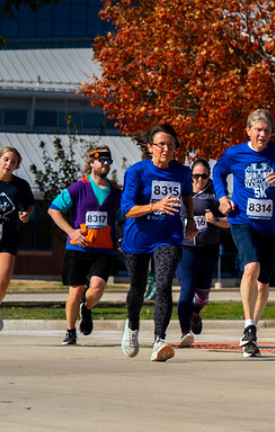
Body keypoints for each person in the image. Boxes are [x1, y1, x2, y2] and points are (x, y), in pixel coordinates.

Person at [212, 108, 275, 358]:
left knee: (263, 284)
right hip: (243, 220)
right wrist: (222, 198)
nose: (262, 134)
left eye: (267, 130)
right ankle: (248, 324)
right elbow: (218, 172)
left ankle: (251, 333)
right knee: (251, 267)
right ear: (248, 131)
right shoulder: (235, 153)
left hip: (273, 226)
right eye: (258, 130)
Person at [120, 124, 197, 362]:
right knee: (138, 288)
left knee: (163, 285)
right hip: (138, 238)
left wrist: (191, 220)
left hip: (169, 236)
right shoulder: (136, 172)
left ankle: (159, 340)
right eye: (161, 144)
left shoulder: (183, 172)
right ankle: (132, 327)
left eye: (171, 145)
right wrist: (155, 206)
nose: (166, 148)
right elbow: (127, 210)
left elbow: (187, 194)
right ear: (150, 148)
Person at [48, 145, 124, 345]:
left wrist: (122, 236)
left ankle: (87, 308)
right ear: (92, 162)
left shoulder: (116, 192)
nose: (105, 163)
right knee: (76, 290)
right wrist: (71, 231)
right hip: (78, 248)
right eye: (101, 160)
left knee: (97, 288)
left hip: (103, 250)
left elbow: (122, 217)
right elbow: (53, 209)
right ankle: (70, 330)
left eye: (108, 160)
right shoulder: (79, 187)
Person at [0, 147, 35, 344]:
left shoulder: (20, 186)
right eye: (6, 159)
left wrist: (26, 215)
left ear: (17, 166)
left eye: (13, 162)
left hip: (6, 241)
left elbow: (29, 204)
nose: (8, 164)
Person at [176, 159, 229, 347]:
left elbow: (229, 222)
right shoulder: (181, 190)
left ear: (209, 177)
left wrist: (214, 220)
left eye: (204, 176)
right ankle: (185, 331)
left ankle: (195, 313)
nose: (199, 180)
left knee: (202, 296)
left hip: (209, 248)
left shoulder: (215, 194)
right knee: (187, 289)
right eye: (196, 176)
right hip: (185, 248)